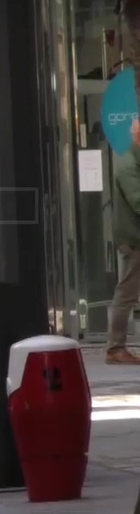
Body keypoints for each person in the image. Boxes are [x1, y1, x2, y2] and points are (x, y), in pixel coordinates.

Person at [110, 119, 140, 363]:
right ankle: (115, 349)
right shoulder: (128, 164)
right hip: (134, 239)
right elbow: (138, 200)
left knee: (127, 292)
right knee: (127, 293)